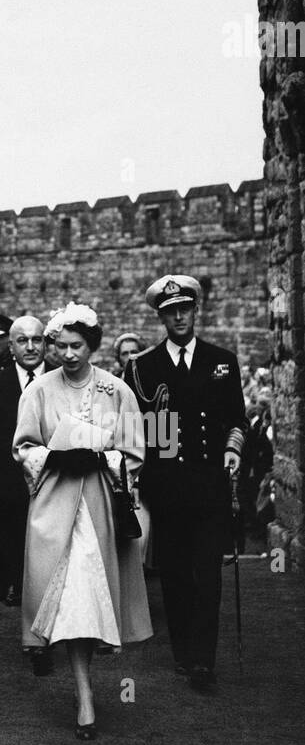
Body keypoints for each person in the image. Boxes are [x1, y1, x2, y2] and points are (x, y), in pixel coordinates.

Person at [14, 303, 152, 739]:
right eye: (61, 346)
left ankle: (85, 687)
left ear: (92, 346)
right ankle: (85, 695)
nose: (68, 355)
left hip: (99, 508)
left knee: (92, 600)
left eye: (77, 346)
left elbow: (134, 454)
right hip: (55, 507)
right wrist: (54, 455)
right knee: (70, 601)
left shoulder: (117, 391)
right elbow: (22, 448)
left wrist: (100, 456)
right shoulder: (38, 391)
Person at [124, 274, 246, 693]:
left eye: (184, 309)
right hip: (169, 487)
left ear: (195, 311)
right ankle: (183, 651)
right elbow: (143, 428)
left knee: (208, 574)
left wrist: (232, 449)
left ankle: (203, 661)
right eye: (169, 311)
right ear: (161, 316)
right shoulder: (143, 366)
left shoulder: (222, 360)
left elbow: (236, 418)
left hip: (211, 483)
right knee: (175, 574)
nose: (178, 316)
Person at [0, 315, 44, 619]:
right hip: (8, 485)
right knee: (10, 546)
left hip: (51, 483)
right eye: (23, 340)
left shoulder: (61, 378)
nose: (30, 347)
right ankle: (16, 590)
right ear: (12, 345)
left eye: (37, 340)